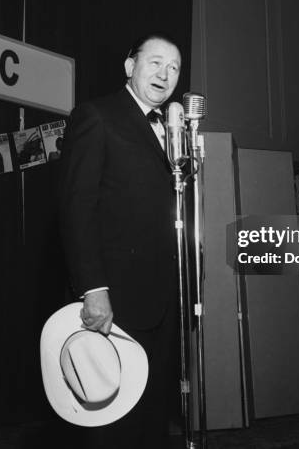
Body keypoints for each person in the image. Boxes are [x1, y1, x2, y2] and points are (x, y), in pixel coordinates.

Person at [59, 33, 182, 449]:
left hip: (165, 299)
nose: (165, 75)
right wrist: (93, 288)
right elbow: (78, 209)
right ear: (130, 67)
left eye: (175, 68)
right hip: (117, 299)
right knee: (114, 424)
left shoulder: (174, 130)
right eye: (156, 63)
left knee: (152, 416)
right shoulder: (97, 116)